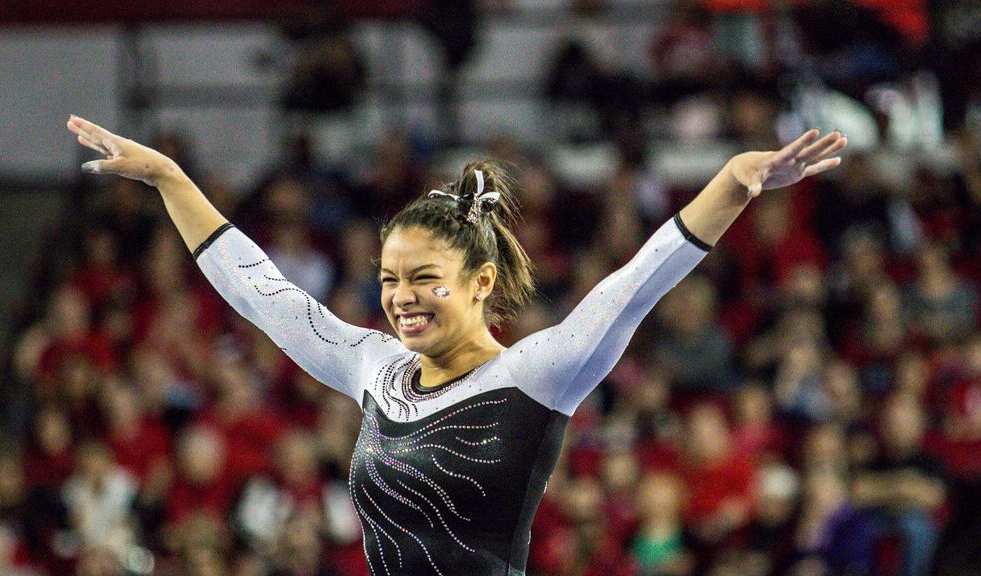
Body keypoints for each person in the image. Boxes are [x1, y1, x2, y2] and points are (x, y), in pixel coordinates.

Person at [66, 115, 846, 576]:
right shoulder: (375, 368)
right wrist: (172, 179)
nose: (400, 298)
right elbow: (266, 295)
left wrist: (736, 183)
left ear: (479, 281)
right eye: (388, 278)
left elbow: (636, 282)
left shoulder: (538, 373)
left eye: (425, 278)